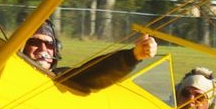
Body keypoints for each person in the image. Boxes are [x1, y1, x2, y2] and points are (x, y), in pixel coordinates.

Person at [20, 19, 159, 93]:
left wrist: (133, 56)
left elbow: (92, 73)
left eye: (49, 44)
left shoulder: (62, 76)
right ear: (23, 46)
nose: (43, 48)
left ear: (56, 49)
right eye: (35, 42)